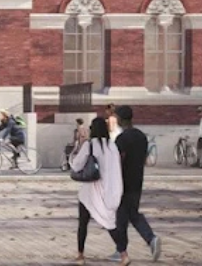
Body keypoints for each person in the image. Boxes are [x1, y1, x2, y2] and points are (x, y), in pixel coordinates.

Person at [69, 109, 128, 265]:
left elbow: (76, 165)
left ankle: (80, 255)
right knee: (109, 223)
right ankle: (124, 254)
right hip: (109, 190)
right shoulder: (112, 146)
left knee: (83, 223)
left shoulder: (90, 145)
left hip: (91, 190)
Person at [113, 105, 162, 261]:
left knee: (121, 216)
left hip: (123, 182)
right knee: (131, 214)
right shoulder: (141, 136)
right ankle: (148, 240)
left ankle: (122, 249)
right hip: (137, 180)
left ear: (120, 119)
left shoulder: (122, 139)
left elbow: (117, 160)